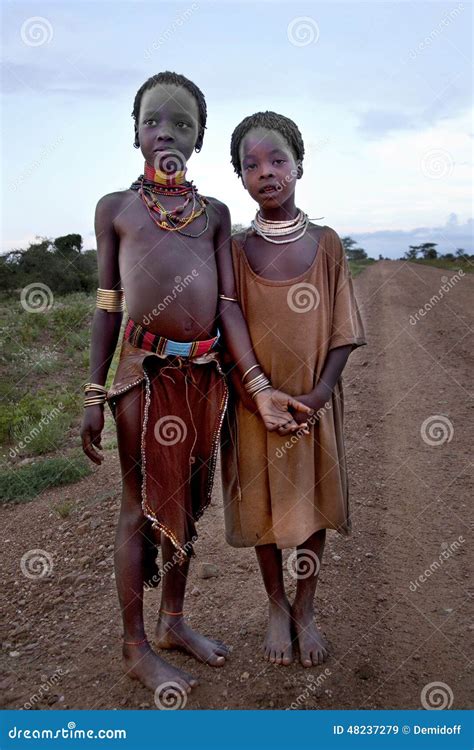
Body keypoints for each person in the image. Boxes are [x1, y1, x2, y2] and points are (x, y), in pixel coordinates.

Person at [80, 75, 311, 697]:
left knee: (186, 502)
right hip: (144, 375)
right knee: (140, 507)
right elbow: (108, 305)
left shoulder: (214, 215)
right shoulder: (116, 209)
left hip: (205, 377)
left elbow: (229, 306)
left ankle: (173, 621)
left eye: (181, 124)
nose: (166, 131)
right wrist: (93, 393)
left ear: (199, 138)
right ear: (135, 131)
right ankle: (134, 648)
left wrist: (255, 383)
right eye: (154, 120)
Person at [221, 111, 367, 668]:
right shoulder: (235, 251)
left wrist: (321, 394)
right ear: (240, 179)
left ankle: (306, 605)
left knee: (309, 509)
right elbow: (227, 327)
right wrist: (256, 392)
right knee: (262, 512)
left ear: (299, 165)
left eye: (278, 160)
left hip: (311, 406)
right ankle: (275, 604)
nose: (267, 172)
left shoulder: (326, 244)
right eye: (251, 165)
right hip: (254, 408)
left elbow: (343, 329)